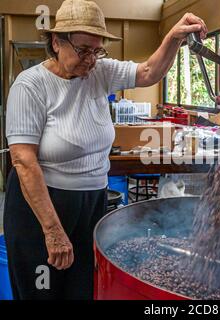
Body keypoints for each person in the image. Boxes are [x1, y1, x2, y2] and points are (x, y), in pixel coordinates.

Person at [4, 0, 208, 300]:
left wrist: (174, 37)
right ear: (56, 42)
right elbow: (23, 161)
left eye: (97, 51)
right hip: (44, 207)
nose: (90, 60)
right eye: (83, 50)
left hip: (92, 202)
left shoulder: (99, 72)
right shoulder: (31, 85)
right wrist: (53, 231)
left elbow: (150, 71)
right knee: (43, 291)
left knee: (83, 289)